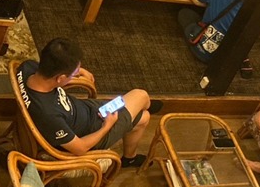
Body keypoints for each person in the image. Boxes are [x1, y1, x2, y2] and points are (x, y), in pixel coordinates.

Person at [16, 38, 161, 168]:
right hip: (93, 129)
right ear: (60, 78)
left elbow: (51, 75)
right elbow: (80, 148)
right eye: (72, 74)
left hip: (83, 110)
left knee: (144, 118)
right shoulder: (48, 115)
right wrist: (106, 126)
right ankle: (144, 105)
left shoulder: (26, 68)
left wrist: (76, 71)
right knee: (141, 95)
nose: (76, 74)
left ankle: (129, 158)